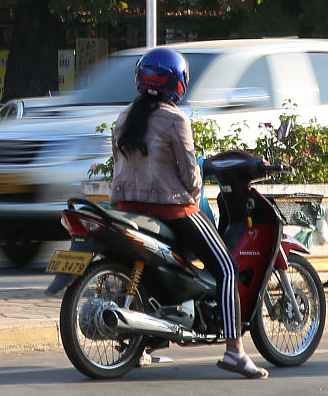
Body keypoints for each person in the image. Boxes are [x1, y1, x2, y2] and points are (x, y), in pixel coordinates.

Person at [110, 47, 269, 380]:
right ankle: (235, 352)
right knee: (226, 267)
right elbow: (190, 177)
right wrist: (196, 193)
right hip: (171, 210)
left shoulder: (125, 115)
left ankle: (140, 344)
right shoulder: (175, 118)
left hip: (126, 208)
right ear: (178, 82)